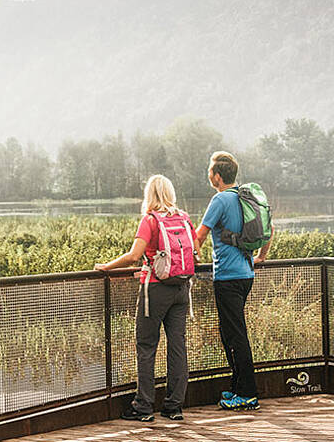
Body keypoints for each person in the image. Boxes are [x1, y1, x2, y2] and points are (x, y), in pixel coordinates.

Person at [95, 174, 197, 422]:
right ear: (170, 193)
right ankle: (174, 407)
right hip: (182, 289)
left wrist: (107, 267)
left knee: (146, 346)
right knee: (177, 346)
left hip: (155, 289)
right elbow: (196, 250)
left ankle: (143, 407)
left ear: (149, 195)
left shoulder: (150, 221)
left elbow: (134, 255)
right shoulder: (183, 218)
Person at [195, 151, 269, 410]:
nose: (209, 175)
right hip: (246, 273)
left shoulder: (219, 200)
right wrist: (260, 257)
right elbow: (268, 230)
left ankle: (248, 394)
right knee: (229, 333)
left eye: (209, 171)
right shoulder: (245, 197)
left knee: (235, 335)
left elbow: (199, 236)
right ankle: (238, 388)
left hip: (227, 276)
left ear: (216, 176)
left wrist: (190, 260)